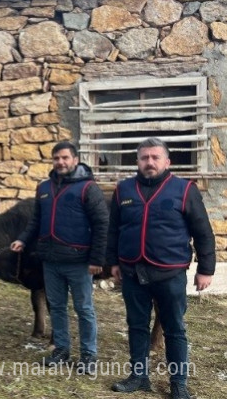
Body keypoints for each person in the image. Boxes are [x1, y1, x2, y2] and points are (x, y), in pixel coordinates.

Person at [106, 138, 215, 399]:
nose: (150, 162)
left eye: (155, 157)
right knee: (136, 325)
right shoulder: (123, 190)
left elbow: (203, 232)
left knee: (174, 328)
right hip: (133, 271)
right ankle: (138, 376)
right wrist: (113, 262)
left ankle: (178, 383)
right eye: (144, 157)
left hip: (170, 272)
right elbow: (113, 230)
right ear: (137, 162)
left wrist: (206, 269)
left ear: (167, 161)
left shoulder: (184, 189)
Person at [10, 141, 108, 375]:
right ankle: (61, 351)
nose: (61, 162)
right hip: (51, 260)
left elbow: (102, 223)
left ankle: (88, 356)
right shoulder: (44, 187)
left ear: (75, 159)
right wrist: (23, 239)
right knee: (57, 307)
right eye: (56, 158)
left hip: (79, 261)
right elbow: (36, 220)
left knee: (84, 308)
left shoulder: (88, 188)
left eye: (65, 158)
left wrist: (97, 259)